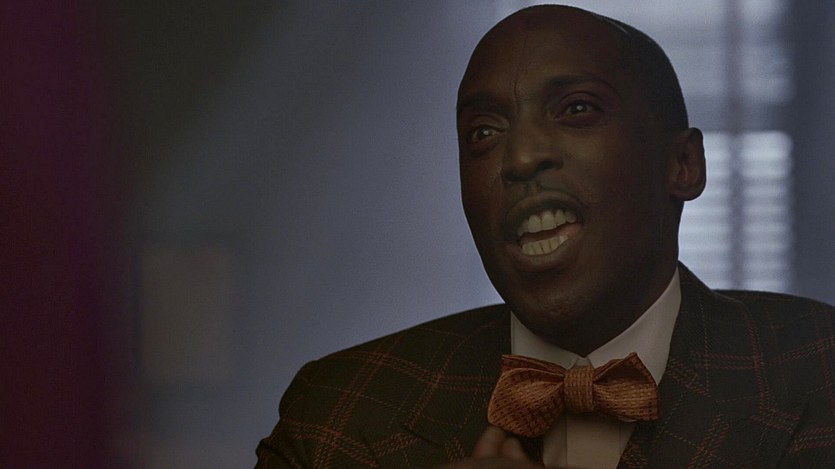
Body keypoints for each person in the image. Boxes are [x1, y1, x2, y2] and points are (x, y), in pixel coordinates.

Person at [256, 5, 835, 468]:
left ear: (682, 164)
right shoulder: (338, 411)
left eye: (577, 108)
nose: (520, 157)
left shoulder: (821, 370)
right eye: (483, 132)